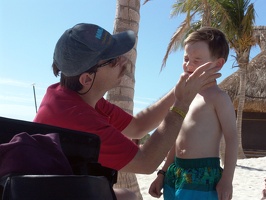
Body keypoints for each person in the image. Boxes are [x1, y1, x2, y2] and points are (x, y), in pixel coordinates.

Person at [34, 23, 221, 199]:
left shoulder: (76, 96)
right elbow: (147, 162)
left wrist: (180, 89)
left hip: (59, 186)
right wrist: (182, 103)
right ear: (87, 79)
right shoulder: (78, 118)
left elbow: (139, 126)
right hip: (50, 193)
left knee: (128, 197)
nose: (123, 60)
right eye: (113, 60)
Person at [148, 27, 238, 200]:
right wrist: (162, 172)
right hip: (176, 172)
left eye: (197, 60)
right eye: (186, 58)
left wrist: (227, 179)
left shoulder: (218, 97)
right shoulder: (184, 97)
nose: (188, 65)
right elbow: (176, 138)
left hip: (202, 175)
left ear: (218, 64)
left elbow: (232, 138)